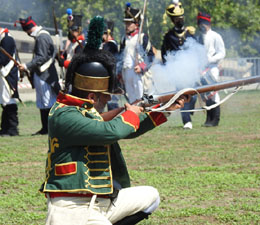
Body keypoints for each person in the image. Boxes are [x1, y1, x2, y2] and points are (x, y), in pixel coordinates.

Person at [39, 16, 187, 225]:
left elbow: (127, 129)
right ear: (92, 97)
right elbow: (112, 131)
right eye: (105, 95)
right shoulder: (64, 114)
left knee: (150, 197)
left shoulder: (84, 112)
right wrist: (132, 111)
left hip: (101, 203)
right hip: (72, 209)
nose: (109, 99)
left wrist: (165, 109)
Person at [16, 16, 60, 135]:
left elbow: (41, 57)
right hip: (42, 74)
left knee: (47, 102)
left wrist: (26, 66)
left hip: (45, 74)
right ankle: (45, 128)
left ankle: (49, 129)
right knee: (42, 102)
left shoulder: (42, 37)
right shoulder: (42, 36)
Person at [161, 0, 197, 129]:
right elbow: (165, 53)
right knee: (182, 95)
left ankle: (189, 111)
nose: (179, 20)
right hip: (177, 70)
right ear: (173, 20)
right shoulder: (169, 36)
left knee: (192, 96)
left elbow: (197, 50)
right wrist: (169, 69)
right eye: (176, 18)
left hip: (191, 69)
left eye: (180, 17)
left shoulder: (190, 33)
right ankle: (187, 121)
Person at [119, 2, 154, 104]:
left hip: (138, 72)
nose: (127, 25)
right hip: (126, 72)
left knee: (141, 98)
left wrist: (142, 67)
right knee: (131, 99)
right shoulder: (123, 39)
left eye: (129, 23)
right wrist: (119, 74)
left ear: (136, 24)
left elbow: (151, 56)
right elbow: (120, 57)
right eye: (126, 23)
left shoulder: (142, 37)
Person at [197, 12, 226, 127]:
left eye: (203, 23)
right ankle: (209, 118)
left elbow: (222, 53)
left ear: (207, 23)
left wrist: (210, 59)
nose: (201, 26)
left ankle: (215, 119)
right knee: (205, 94)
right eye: (200, 23)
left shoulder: (215, 36)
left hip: (212, 67)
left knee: (213, 93)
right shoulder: (199, 36)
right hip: (201, 69)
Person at [102, 20, 120, 110]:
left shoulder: (110, 45)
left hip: (112, 79)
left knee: (112, 104)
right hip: (107, 79)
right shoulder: (106, 45)